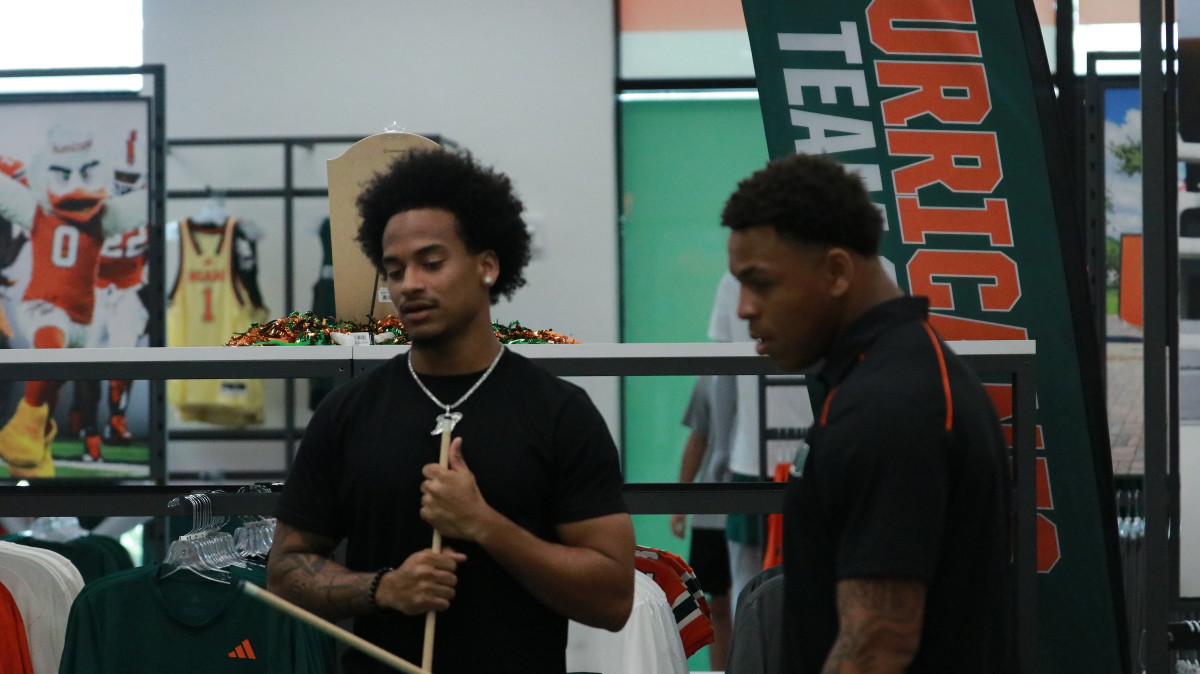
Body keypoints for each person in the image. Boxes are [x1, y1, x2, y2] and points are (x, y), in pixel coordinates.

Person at [268, 148, 635, 673]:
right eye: (394, 270)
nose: (409, 284)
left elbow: (612, 600)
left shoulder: (558, 412)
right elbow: (284, 574)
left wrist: (485, 525)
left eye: (432, 263)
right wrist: (383, 588)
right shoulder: (347, 412)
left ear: (487, 266)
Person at [721, 153, 1010, 673]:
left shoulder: (889, 409)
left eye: (761, 283)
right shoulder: (892, 376)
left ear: (837, 272)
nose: (743, 307)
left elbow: (877, 646)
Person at [670, 374, 734, 669]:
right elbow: (698, 437)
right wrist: (681, 502)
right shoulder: (710, 376)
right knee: (718, 607)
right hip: (713, 508)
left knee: (751, 601)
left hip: (756, 502)